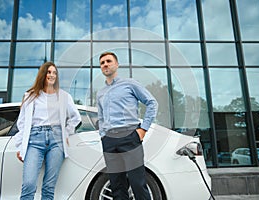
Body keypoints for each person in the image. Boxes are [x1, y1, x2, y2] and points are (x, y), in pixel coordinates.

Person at [14, 61, 81, 200]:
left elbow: (76, 118)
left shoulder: (64, 96)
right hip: (34, 140)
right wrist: (20, 146)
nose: (52, 75)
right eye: (49, 72)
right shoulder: (30, 95)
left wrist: (67, 132)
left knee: (49, 187)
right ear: (43, 75)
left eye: (55, 73)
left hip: (57, 141)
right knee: (28, 184)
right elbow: (22, 122)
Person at [96, 52, 158, 200]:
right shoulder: (100, 93)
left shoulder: (130, 84)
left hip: (130, 136)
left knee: (138, 184)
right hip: (109, 140)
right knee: (117, 186)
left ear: (116, 64)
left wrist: (143, 129)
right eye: (102, 63)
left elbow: (152, 103)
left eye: (108, 61)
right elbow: (101, 117)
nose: (105, 64)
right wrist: (103, 135)